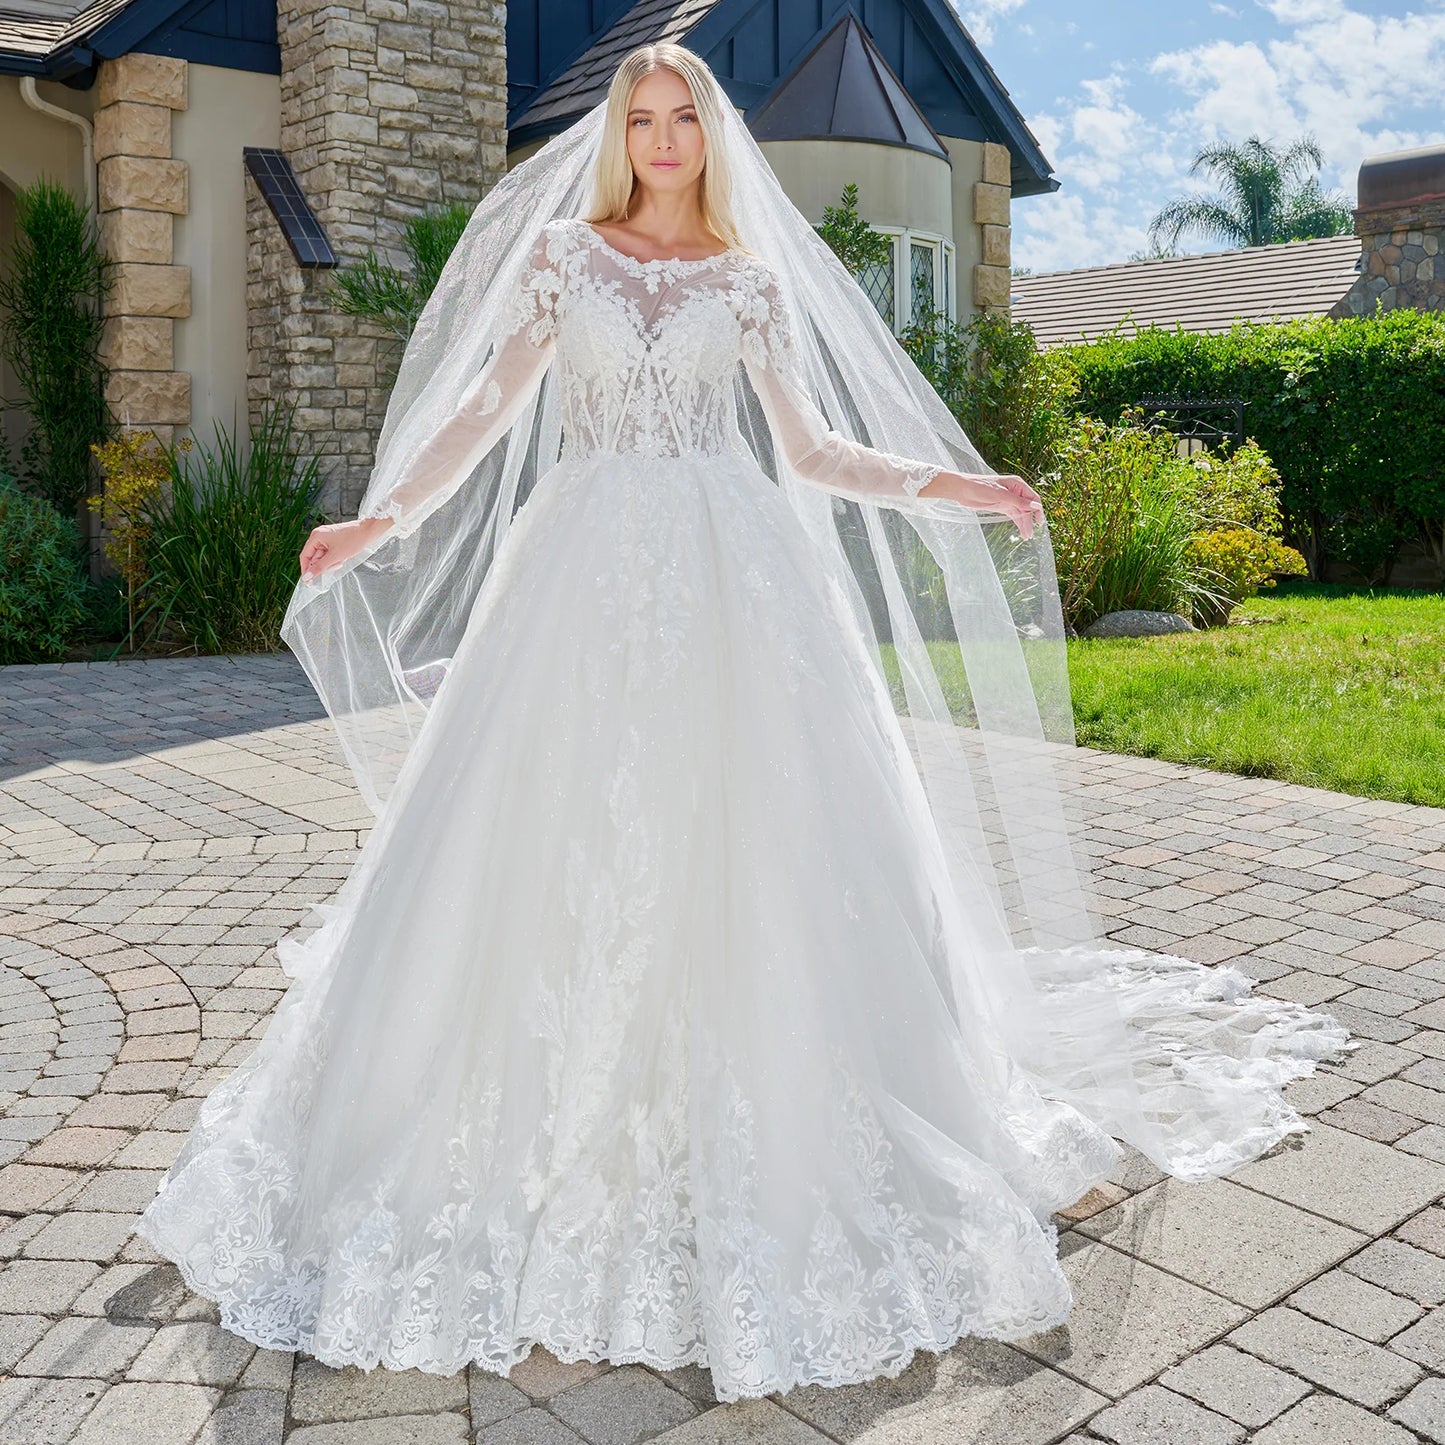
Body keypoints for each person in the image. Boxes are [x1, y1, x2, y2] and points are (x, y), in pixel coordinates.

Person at [135, 43, 1354, 1403]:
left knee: (763, 845)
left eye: (683, 118)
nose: (661, 137)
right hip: (577, 581)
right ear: (619, 133)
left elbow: (817, 450)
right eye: (640, 117)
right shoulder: (565, 260)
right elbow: (486, 407)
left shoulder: (749, 280)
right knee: (541, 839)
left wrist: (950, 488)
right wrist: (382, 514)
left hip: (734, 578)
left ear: (713, 135)